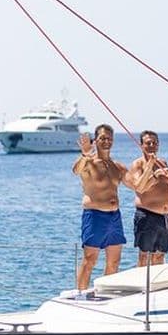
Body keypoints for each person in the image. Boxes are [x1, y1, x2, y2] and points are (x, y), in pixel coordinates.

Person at [71, 124, 128, 291]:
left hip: (114, 217)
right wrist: (85, 153)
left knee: (114, 261)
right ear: (95, 140)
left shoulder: (116, 166)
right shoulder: (88, 162)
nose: (106, 141)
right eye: (102, 138)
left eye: (109, 138)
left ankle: (106, 294)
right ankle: (80, 295)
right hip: (95, 215)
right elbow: (76, 170)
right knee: (90, 259)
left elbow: (137, 185)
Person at [125, 130, 168, 267]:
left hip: (165, 217)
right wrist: (152, 172)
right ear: (141, 146)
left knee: (160, 255)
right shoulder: (138, 164)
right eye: (148, 143)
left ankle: (155, 286)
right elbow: (139, 187)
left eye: (154, 143)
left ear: (158, 145)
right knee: (144, 256)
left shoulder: (163, 163)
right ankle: (142, 286)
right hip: (147, 216)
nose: (152, 145)